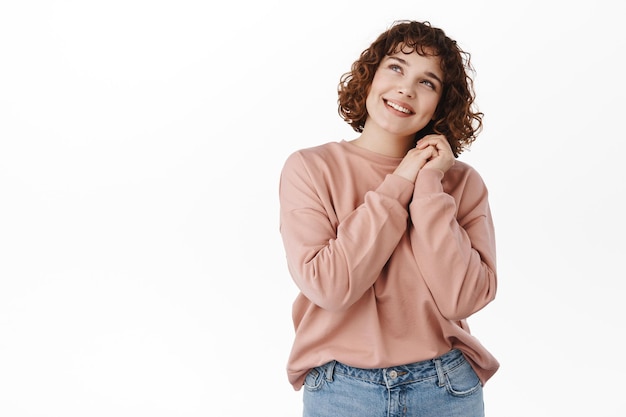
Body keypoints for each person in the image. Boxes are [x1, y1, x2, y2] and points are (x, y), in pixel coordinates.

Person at [278, 20, 498, 417]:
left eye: (427, 82)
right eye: (396, 67)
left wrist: (429, 181)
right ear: (371, 75)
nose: (406, 89)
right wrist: (400, 181)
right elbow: (330, 286)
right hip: (340, 391)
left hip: (445, 389)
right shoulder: (310, 168)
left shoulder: (461, 183)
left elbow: (461, 297)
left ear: (441, 103)